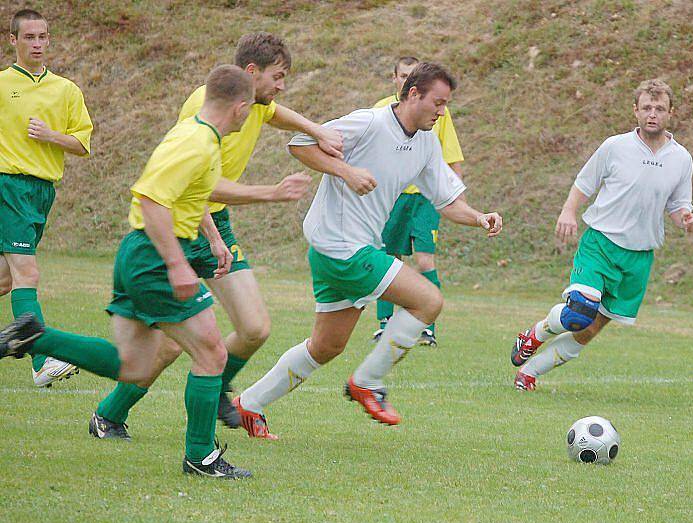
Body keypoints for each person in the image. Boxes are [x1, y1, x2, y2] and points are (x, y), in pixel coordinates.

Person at [0, 65, 256, 479]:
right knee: (211, 353)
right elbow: (152, 200)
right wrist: (177, 265)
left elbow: (200, 191)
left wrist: (270, 194)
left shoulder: (200, 135)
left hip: (139, 254)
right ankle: (201, 456)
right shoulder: (196, 141)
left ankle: (35, 336)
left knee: (133, 366)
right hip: (155, 256)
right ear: (241, 108)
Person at [87, 32, 342, 441]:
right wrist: (213, 234)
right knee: (171, 346)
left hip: (216, 222)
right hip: (193, 222)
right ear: (251, 72)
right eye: (278, 76)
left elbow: (276, 113)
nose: (281, 86)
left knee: (255, 327)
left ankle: (218, 386)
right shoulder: (205, 107)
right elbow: (191, 185)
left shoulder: (255, 103)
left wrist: (317, 129)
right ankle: (110, 414)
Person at [232, 62, 502, 435]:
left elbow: (447, 200)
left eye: (445, 105)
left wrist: (479, 217)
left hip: (346, 248)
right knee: (428, 301)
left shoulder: (425, 142)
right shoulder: (370, 123)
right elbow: (301, 144)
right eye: (437, 103)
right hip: (343, 248)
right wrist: (347, 171)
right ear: (413, 94)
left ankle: (248, 404)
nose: (442, 112)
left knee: (325, 346)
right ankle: (368, 383)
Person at [510, 79, 693, 391]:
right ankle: (535, 334)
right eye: (647, 108)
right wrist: (568, 212)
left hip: (638, 258)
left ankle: (529, 374)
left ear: (671, 113)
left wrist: (688, 220)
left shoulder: (682, 158)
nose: (653, 114)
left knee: (589, 330)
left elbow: (680, 206)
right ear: (635, 111)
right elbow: (585, 182)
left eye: (660, 108)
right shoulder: (615, 147)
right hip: (601, 243)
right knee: (580, 312)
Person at [0, 9, 93, 387]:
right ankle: (41, 361)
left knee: (6, 280)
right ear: (13, 41)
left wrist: (51, 135)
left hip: (42, 193)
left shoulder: (66, 90)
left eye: (43, 37)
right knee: (28, 273)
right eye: (29, 38)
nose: (37, 44)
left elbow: (82, 144)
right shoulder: (3, 85)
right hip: (9, 186)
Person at [372, 56, 464, 347]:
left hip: (425, 198)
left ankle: (426, 327)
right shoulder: (380, 111)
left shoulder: (438, 113)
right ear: (395, 79)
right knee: (388, 259)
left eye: (411, 75)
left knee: (425, 260)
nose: (406, 80)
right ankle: (385, 323)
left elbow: (451, 156)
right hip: (393, 197)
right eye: (402, 75)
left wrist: (458, 198)